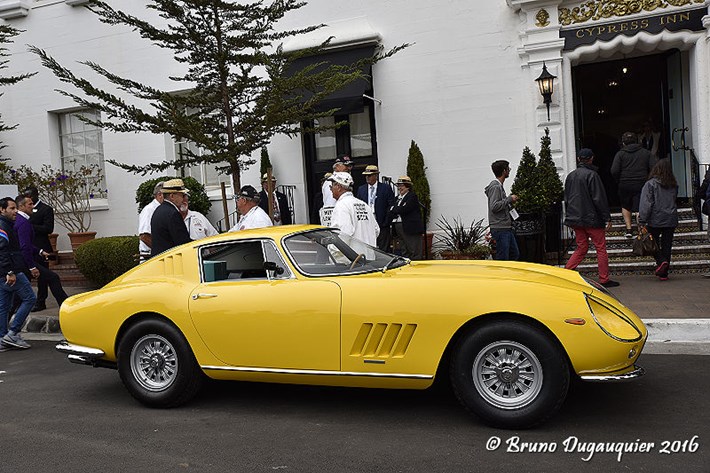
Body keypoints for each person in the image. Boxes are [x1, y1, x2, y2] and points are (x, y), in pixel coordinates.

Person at [563, 148, 619, 288]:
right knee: (600, 248)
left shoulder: (570, 176)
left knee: (581, 247)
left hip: (576, 218)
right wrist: (607, 218)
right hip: (592, 219)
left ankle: (566, 273)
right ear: (591, 158)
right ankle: (604, 278)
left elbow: (567, 198)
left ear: (578, 159)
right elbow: (599, 198)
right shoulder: (592, 175)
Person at [14, 194, 68, 307]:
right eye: (29, 204)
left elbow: (25, 244)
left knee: (18, 297)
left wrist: (40, 251)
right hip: (24, 261)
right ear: (21, 206)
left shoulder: (21, 220)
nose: (32, 206)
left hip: (22, 260)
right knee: (53, 277)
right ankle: (65, 305)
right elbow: (24, 246)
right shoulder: (23, 222)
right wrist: (32, 266)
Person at [0, 197, 37, 351]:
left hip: (5, 272)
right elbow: (2, 251)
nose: (15, 211)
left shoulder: (8, 225)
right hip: (10, 271)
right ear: (2, 210)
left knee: (4, 305)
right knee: (30, 298)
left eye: (16, 208)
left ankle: (2, 338)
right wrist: (10, 272)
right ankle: (13, 332)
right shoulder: (3, 226)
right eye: (11, 208)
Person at [639, 159, 679, 281]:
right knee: (667, 245)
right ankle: (664, 273)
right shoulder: (673, 185)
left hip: (655, 218)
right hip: (670, 218)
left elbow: (646, 203)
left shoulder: (650, 184)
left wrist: (642, 220)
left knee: (652, 244)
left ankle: (661, 262)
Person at [611, 131, 656, 238]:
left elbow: (614, 170)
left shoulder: (620, 154)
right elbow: (654, 168)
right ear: (637, 141)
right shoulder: (646, 153)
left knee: (626, 206)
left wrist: (619, 180)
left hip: (625, 183)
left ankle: (629, 229)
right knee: (640, 207)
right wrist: (648, 180)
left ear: (623, 143)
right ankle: (641, 230)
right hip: (642, 183)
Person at [24, 186, 54, 312]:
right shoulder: (24, 209)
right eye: (26, 196)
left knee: (43, 276)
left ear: (36, 195)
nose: (29, 198)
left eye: (31, 196)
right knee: (25, 274)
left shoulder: (45, 209)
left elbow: (48, 228)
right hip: (27, 247)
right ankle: (24, 300)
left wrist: (30, 226)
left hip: (41, 246)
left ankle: (41, 301)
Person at [329, 172, 379, 246]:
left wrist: (334, 253)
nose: (330, 190)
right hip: (369, 255)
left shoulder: (342, 205)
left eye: (331, 186)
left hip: (353, 256)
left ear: (338, 187)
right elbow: (376, 230)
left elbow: (343, 234)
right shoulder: (364, 205)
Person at [484, 160, 519, 261]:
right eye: (508, 169)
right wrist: (509, 199)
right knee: (504, 257)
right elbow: (494, 206)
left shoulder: (499, 186)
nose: (509, 171)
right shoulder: (495, 187)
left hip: (505, 227)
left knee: (514, 254)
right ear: (504, 171)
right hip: (500, 228)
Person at [356, 165, 396, 251]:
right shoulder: (361, 189)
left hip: (381, 222)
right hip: (367, 222)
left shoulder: (385, 188)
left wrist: (386, 221)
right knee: (369, 247)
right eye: (366, 175)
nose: (367, 177)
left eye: (369, 175)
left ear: (376, 175)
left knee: (384, 248)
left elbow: (391, 205)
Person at [150, 179, 193, 257]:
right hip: (171, 260)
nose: (184, 199)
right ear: (172, 196)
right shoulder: (173, 214)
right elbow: (183, 243)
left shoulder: (159, 210)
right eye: (182, 195)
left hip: (159, 259)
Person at [388, 176, 424, 259]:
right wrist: (396, 209)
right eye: (399, 186)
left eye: (402, 185)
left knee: (413, 249)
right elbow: (389, 210)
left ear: (407, 187)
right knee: (404, 250)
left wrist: (395, 209)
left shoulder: (412, 197)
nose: (400, 188)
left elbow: (405, 209)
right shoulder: (396, 198)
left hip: (410, 228)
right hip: (398, 227)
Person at [138, 181, 164, 262]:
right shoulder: (149, 210)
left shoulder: (162, 209)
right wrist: (161, 251)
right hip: (150, 257)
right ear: (160, 195)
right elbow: (144, 236)